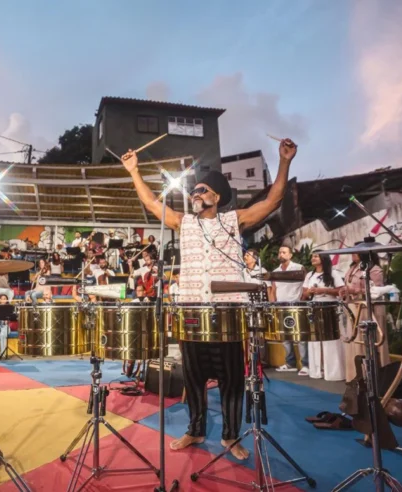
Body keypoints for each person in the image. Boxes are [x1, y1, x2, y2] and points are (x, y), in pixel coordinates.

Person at [124, 136, 297, 460]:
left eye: (202, 190)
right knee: (194, 375)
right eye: (194, 190)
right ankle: (196, 428)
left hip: (228, 312)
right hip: (191, 311)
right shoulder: (183, 222)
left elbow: (272, 201)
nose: (195, 194)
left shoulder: (235, 220)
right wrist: (134, 171)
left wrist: (284, 161)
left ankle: (231, 436)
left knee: (232, 379)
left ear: (216, 197)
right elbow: (150, 204)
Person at [343, 250, 391, 382]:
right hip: (354, 307)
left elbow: (376, 291)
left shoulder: (375, 270)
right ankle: (357, 376)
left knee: (371, 341)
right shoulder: (352, 268)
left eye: (356, 252)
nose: (352, 254)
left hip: (369, 308)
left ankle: (376, 377)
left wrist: (356, 290)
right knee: (355, 340)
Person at [302, 253, 346, 381]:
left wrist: (324, 290)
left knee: (330, 340)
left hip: (329, 306)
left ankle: (333, 372)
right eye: (312, 256)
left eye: (316, 256)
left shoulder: (333, 273)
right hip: (314, 306)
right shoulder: (309, 275)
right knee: (315, 339)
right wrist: (309, 292)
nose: (313, 258)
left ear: (323, 259)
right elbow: (304, 293)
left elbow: (341, 290)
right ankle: (316, 370)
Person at [271, 245, 307, 375]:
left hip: (296, 305)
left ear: (290, 255)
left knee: (300, 336)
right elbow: (274, 290)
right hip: (281, 306)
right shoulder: (275, 271)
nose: (281, 254)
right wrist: (273, 305)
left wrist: (302, 301)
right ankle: (290, 363)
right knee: (285, 337)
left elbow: (306, 286)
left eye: (284, 252)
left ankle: (305, 365)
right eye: (280, 252)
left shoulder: (299, 268)